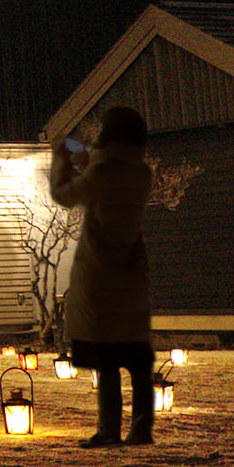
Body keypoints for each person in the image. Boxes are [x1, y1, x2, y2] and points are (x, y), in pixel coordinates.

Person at [51, 106, 156, 447]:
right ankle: (141, 428)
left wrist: (62, 158)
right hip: (132, 267)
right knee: (137, 354)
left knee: (107, 354)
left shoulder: (101, 173)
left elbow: (64, 195)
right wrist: (89, 160)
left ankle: (109, 429)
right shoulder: (141, 173)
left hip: (101, 271)